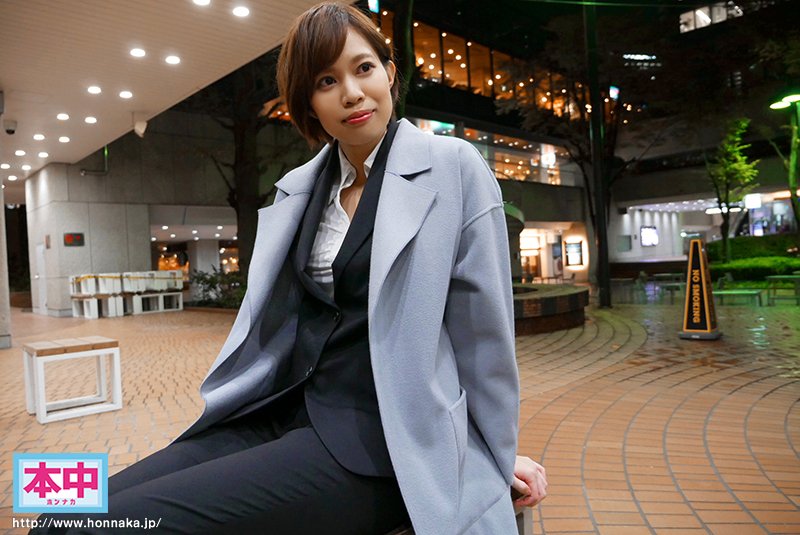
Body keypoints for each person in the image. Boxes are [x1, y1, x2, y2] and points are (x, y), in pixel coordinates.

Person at [32, 2, 545, 534]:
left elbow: (485, 337)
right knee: (60, 513)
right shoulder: (300, 190)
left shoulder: (453, 168)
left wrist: (495, 453)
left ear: (390, 74)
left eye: (364, 68)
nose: (351, 93)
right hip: (278, 411)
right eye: (327, 81)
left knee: (103, 524)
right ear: (308, 103)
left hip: (381, 443)